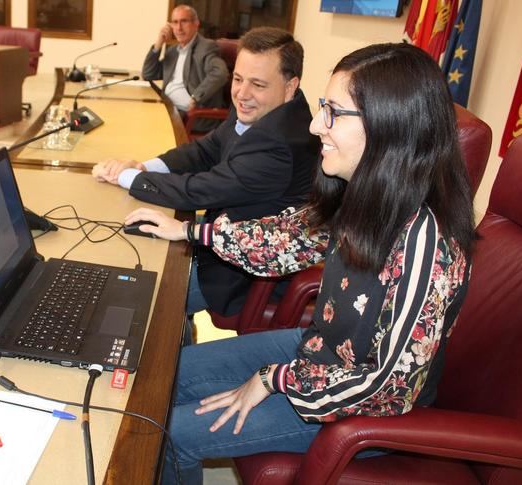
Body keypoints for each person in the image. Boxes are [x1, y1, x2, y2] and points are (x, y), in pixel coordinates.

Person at [125, 42, 475, 484]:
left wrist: (276, 380)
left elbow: (388, 387)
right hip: (316, 354)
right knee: (157, 380)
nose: (314, 125)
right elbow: (286, 238)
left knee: (168, 432)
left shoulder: (427, 241)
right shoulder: (364, 192)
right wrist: (191, 232)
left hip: (356, 405)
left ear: (389, 126)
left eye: (332, 112)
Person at [94, 27, 320, 321]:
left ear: (291, 86)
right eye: (237, 79)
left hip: (241, 274)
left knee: (135, 295)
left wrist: (126, 178)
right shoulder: (261, 107)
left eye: (258, 85)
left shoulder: (283, 143)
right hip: (218, 231)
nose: (242, 93)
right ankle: (180, 333)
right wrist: (145, 167)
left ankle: (174, 346)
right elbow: (206, 149)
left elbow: (201, 190)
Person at [142, 5, 228, 131]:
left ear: (196, 23)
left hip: (189, 116)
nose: (179, 28)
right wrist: (158, 45)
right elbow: (148, 74)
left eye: (184, 21)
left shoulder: (206, 47)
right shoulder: (172, 51)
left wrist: (196, 97)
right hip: (168, 107)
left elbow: (220, 73)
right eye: (175, 22)